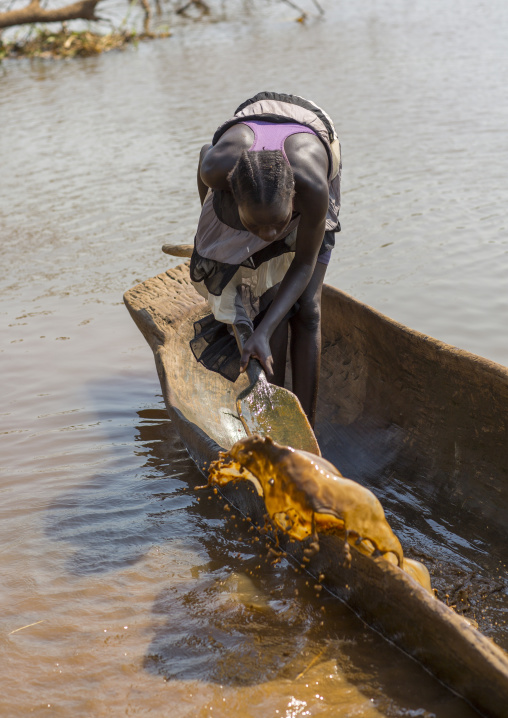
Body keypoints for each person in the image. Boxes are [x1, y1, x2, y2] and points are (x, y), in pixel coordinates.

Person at [189, 92, 341, 427]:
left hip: (310, 130)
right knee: (267, 303)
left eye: (278, 224)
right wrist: (214, 229)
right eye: (255, 225)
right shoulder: (217, 170)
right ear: (232, 196)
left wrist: (265, 329)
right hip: (252, 131)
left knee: (307, 310)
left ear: (293, 199)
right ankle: (276, 420)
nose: (269, 235)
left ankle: (307, 429)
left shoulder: (313, 189)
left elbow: (303, 264)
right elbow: (204, 158)